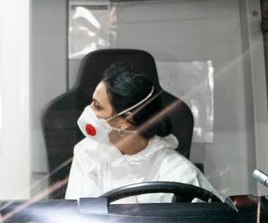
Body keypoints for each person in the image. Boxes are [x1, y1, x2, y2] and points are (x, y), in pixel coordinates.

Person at [65, 62, 220, 202]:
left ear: (125, 121)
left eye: (97, 106)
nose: (89, 111)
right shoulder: (87, 153)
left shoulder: (178, 172)